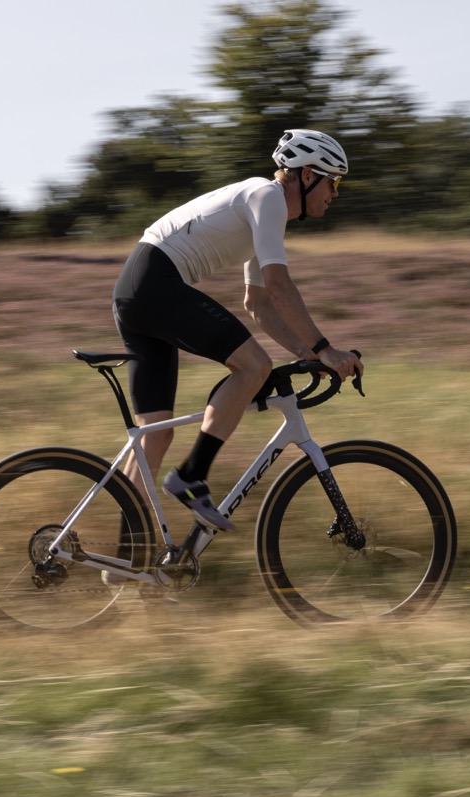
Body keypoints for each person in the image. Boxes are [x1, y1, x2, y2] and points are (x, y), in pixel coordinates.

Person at [112, 129, 364, 532]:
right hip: (154, 283)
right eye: (333, 182)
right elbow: (279, 286)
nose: (335, 193)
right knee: (253, 366)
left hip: (136, 288)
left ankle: (127, 556)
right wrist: (326, 348)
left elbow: (258, 304)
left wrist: (308, 353)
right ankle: (191, 477)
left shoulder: (260, 205)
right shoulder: (267, 197)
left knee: (154, 436)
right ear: (307, 175)